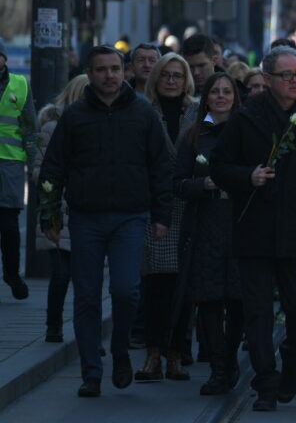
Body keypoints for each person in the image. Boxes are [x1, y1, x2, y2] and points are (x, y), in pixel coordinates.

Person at [210, 46, 296, 412]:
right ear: (267, 80)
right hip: (254, 231)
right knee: (257, 312)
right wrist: (247, 176)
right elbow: (218, 165)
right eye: (287, 75)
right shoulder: (245, 119)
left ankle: (290, 367)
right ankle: (266, 382)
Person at [39, 45, 174, 398]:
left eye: (115, 68)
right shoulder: (75, 115)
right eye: (101, 70)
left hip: (130, 216)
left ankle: (120, 352)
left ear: (125, 71)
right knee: (86, 297)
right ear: (90, 72)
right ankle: (91, 373)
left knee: (126, 290)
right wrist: (50, 215)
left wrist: (161, 216)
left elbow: (162, 168)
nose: (109, 76)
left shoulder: (143, 113)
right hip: (86, 218)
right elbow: (53, 168)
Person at [173, 73, 243, 395]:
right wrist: (203, 184)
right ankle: (217, 367)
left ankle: (230, 358)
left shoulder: (247, 131)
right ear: (206, 97)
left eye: (227, 91)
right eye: (215, 91)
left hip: (240, 224)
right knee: (210, 300)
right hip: (206, 224)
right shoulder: (193, 136)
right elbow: (177, 184)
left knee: (239, 300)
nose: (221, 96)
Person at [137, 52, 197, 382]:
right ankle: (153, 353)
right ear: (155, 79)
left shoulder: (200, 112)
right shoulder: (144, 111)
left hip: (188, 205)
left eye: (177, 75)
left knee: (184, 287)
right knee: (156, 286)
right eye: (166, 75)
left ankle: (177, 353)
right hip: (156, 206)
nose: (172, 81)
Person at [31, 74, 89, 341]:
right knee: (61, 274)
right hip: (57, 210)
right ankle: (53, 325)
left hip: (86, 212)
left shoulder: (96, 124)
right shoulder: (51, 127)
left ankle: (85, 331)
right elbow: (38, 171)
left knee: (85, 279)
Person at [0, 39, 36, 301]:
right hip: (10, 165)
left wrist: (35, 163)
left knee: (9, 226)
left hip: (10, 164)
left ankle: (11, 273)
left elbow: (30, 128)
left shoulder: (20, 85)